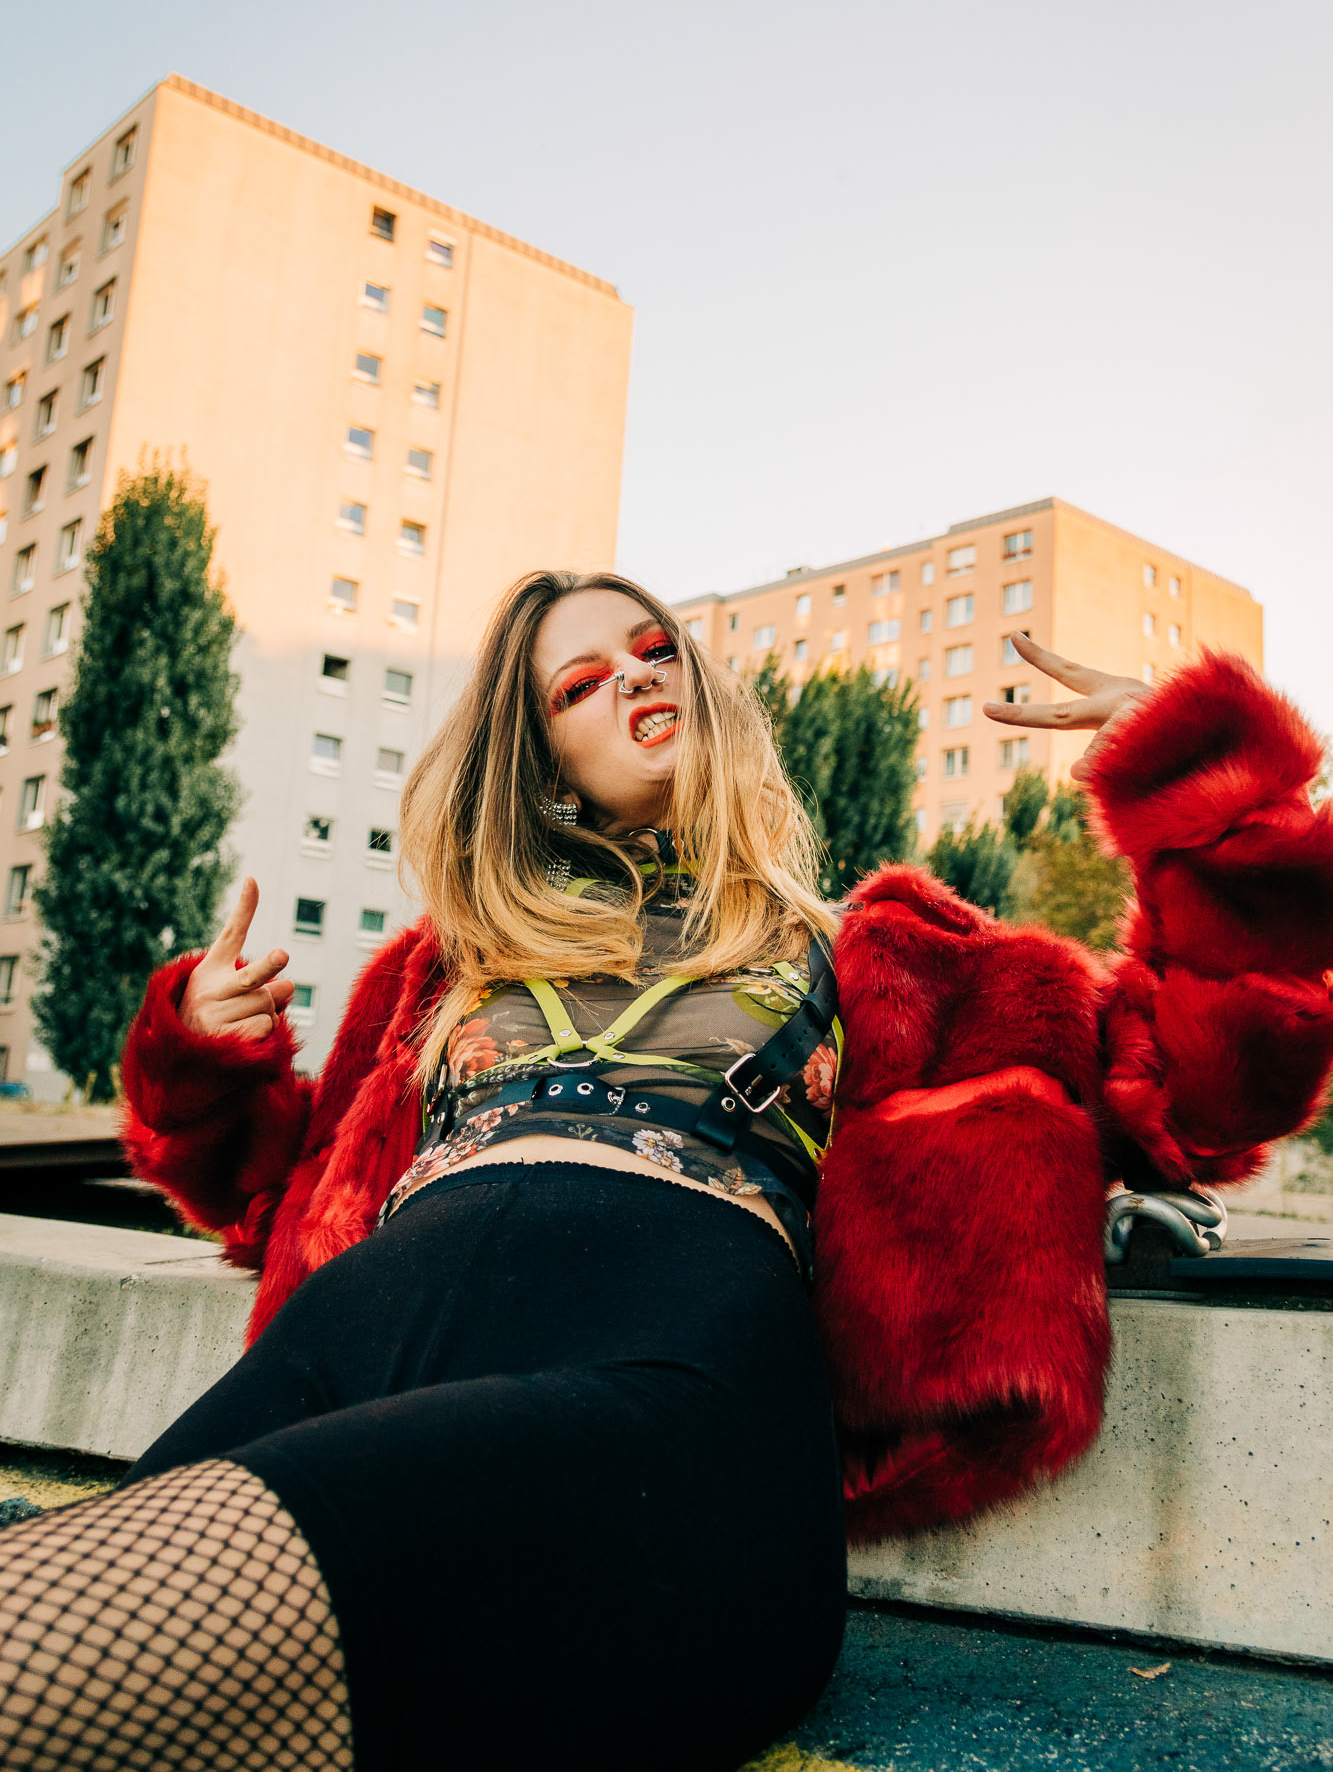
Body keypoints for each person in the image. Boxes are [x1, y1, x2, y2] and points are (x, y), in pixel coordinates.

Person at [0, 571, 1329, 1772]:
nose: (637, 676)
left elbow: (1219, 1083)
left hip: (658, 1400)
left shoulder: (914, 958)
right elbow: (271, 1198)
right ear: (545, 764)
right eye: (582, 681)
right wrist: (203, 1059)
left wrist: (1194, 786)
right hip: (346, 1361)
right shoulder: (442, 964)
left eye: (652, 650)